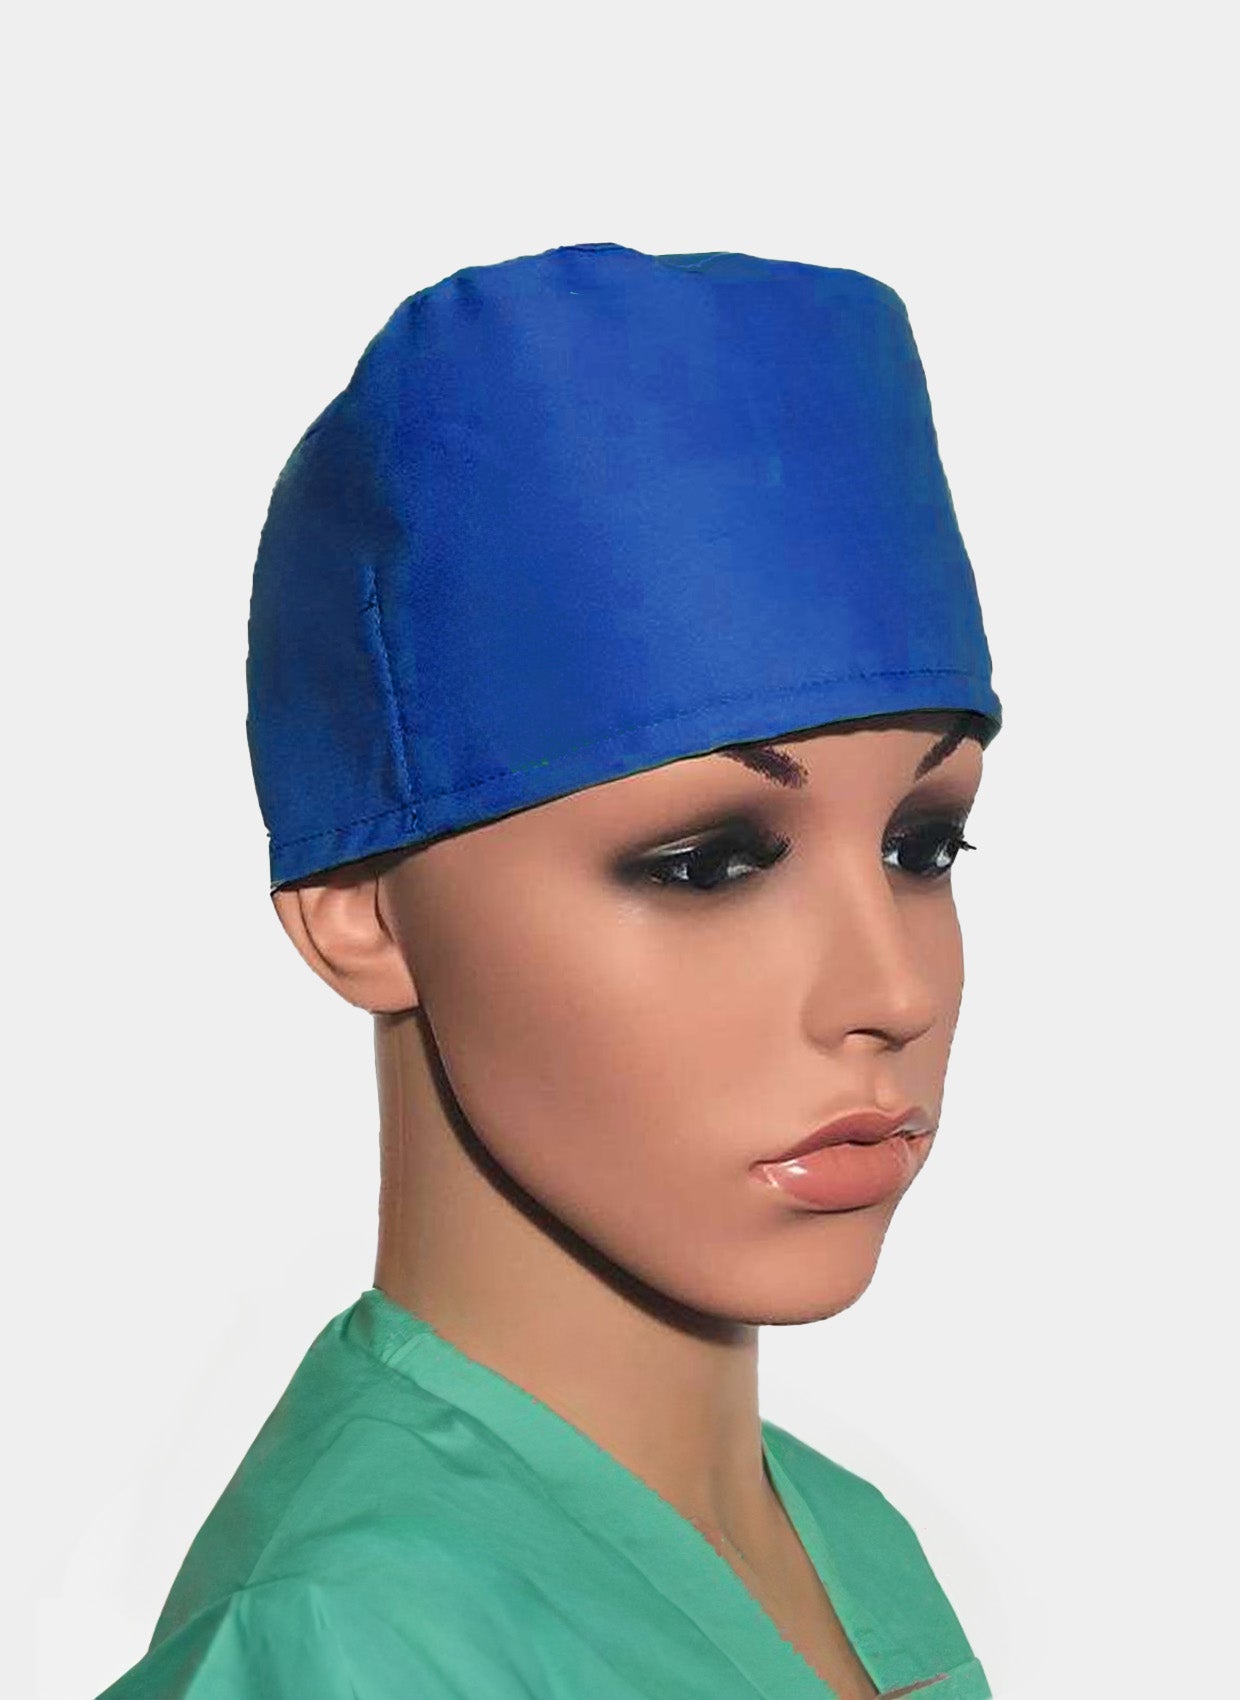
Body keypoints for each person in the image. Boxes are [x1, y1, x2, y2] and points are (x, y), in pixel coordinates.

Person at [98, 241, 1001, 1699]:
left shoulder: (849, 1541)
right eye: (706, 864)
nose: (889, 990)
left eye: (922, 845)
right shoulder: (349, 1644)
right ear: (360, 912)